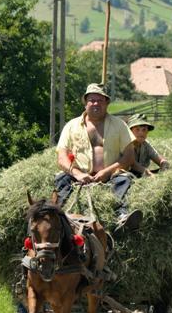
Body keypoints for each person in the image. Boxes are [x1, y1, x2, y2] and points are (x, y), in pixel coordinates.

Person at [55, 83, 142, 233]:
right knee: (61, 180)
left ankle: (121, 215)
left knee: (124, 180)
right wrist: (78, 174)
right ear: (85, 102)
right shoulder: (71, 126)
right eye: (92, 100)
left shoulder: (119, 125)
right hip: (78, 176)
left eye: (100, 100)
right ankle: (58, 216)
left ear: (107, 103)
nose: (96, 104)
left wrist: (107, 172)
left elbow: (129, 156)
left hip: (111, 176)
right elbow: (62, 157)